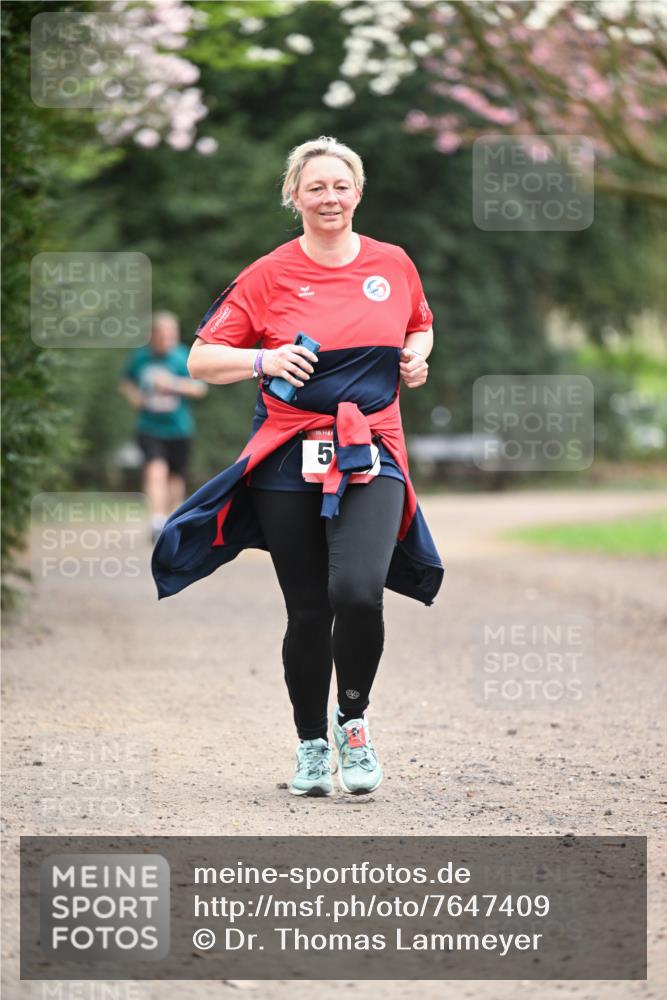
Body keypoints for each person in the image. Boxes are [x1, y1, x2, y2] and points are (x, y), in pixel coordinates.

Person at [151, 136, 444, 797]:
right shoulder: (268, 274)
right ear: (294, 196)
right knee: (309, 610)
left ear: (358, 191)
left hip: (371, 449)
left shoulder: (392, 263)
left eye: (340, 185)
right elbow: (201, 359)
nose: (329, 197)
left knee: (358, 592)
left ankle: (354, 722)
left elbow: (419, 324)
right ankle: (311, 743)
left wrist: (417, 357)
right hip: (286, 457)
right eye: (315, 187)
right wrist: (265, 360)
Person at [119, 311, 207, 543]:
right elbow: (126, 382)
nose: (169, 339)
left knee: (175, 479)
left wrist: (173, 385)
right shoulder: (140, 358)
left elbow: (200, 389)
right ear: (153, 335)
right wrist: (135, 396)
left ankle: (170, 520)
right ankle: (157, 522)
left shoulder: (183, 357)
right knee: (155, 470)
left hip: (179, 428)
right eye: (164, 334)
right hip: (149, 427)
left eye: (172, 334)